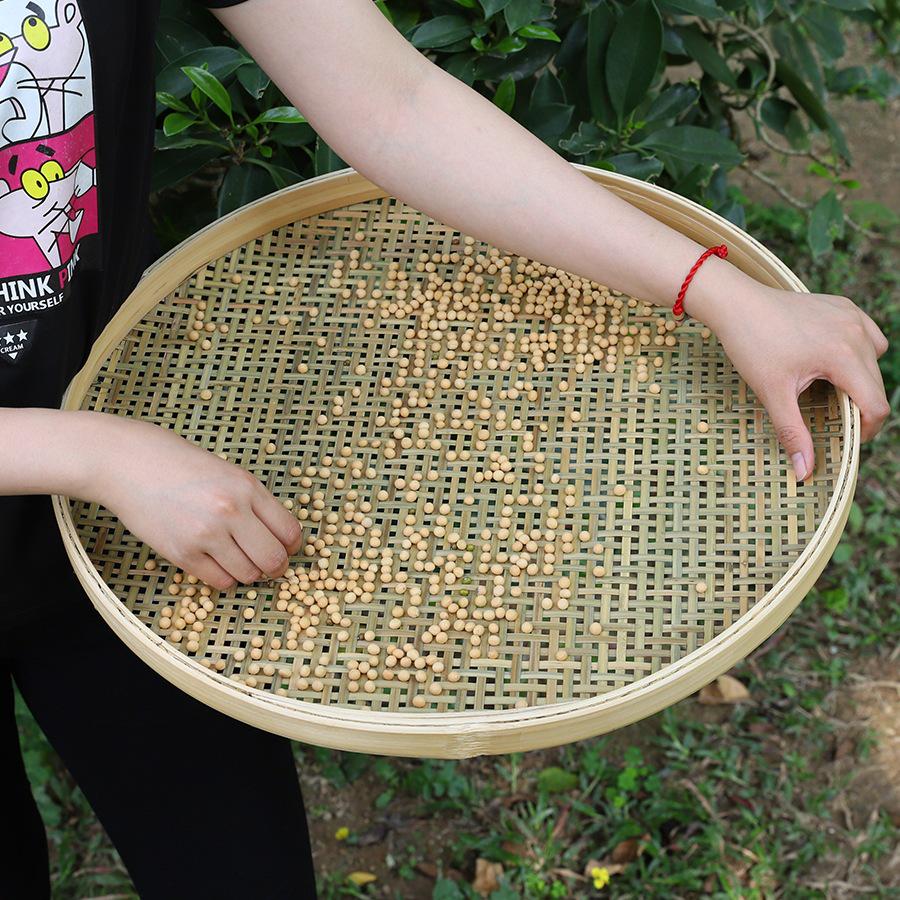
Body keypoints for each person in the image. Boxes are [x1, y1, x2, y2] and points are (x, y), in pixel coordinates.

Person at [0, 1, 889, 897]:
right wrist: (94, 456)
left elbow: (394, 101)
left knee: (241, 870)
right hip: (128, 475)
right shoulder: (116, 457)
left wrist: (719, 293)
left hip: (144, 530)